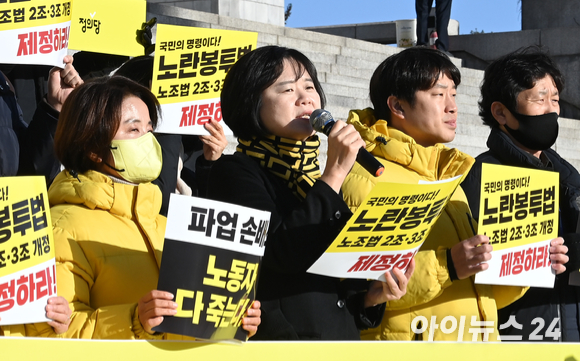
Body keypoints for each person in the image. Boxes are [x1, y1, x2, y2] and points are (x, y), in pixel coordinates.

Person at [2, 76, 260, 339]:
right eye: (133, 130)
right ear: (93, 147)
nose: (148, 139)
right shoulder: (62, 227)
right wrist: (134, 321)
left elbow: (187, 326)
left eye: (150, 129)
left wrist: (232, 322)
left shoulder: (165, 224)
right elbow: (49, 333)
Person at [341, 47, 567, 341]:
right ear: (397, 106)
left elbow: (479, 294)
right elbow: (361, 294)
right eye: (438, 94)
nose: (452, 107)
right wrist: (447, 265)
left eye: (455, 95)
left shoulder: (449, 177)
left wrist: (526, 263)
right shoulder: (367, 178)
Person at [206, 45, 414, 340]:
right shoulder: (235, 173)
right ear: (251, 103)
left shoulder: (313, 179)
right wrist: (335, 174)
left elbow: (333, 288)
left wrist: (370, 296)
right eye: (287, 90)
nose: (306, 98)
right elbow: (279, 254)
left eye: (309, 86)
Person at [462, 47, 577, 341]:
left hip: (570, 326)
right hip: (518, 333)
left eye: (555, 98)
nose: (552, 109)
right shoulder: (481, 175)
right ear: (501, 112)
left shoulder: (569, 178)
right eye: (540, 98)